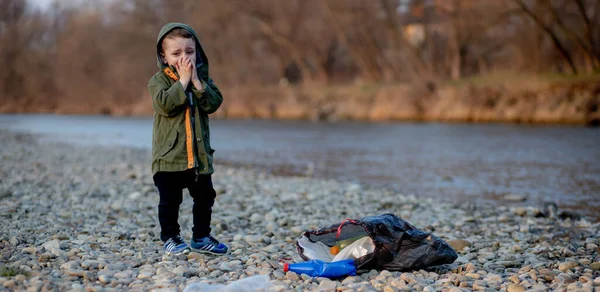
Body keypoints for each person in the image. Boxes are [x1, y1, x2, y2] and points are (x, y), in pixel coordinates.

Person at [148, 22, 226, 255]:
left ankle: (201, 236)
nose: (184, 58)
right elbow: (164, 105)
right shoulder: (158, 81)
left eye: (189, 52)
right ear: (164, 57)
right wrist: (181, 81)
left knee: (205, 197)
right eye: (176, 53)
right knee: (170, 201)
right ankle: (170, 237)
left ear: (197, 52)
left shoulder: (202, 79)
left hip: (199, 156)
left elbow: (213, 103)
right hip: (170, 156)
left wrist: (196, 82)